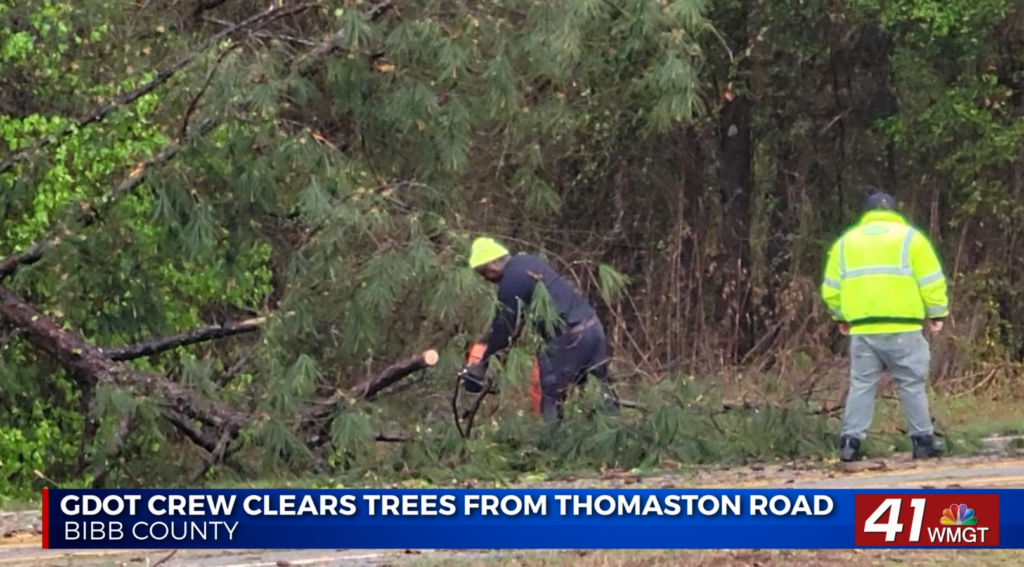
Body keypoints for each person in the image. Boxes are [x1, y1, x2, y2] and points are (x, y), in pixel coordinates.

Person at [821, 191, 949, 462]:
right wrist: (936, 313)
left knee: (861, 384)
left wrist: (842, 316)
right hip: (904, 327)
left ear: (866, 214)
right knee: (911, 383)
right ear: (893, 212)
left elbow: (831, 289)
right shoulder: (911, 239)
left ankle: (849, 443)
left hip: (863, 330)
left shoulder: (846, 243)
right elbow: (931, 280)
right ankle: (922, 441)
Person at [459, 236, 620, 422]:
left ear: (494, 262)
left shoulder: (511, 281)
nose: (486, 278)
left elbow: (504, 328)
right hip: (592, 326)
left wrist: (484, 362)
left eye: (484, 272)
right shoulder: (528, 261)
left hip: (568, 338)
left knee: (551, 395)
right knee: (600, 389)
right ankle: (616, 435)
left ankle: (550, 443)